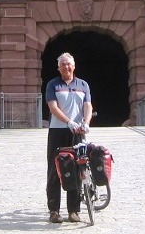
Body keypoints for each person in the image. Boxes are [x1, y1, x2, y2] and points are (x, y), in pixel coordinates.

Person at [45, 52, 93, 223]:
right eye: (63, 64)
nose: (66, 67)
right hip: (58, 131)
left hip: (78, 132)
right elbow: (53, 107)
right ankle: (54, 210)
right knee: (55, 169)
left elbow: (87, 105)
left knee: (77, 169)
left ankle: (74, 210)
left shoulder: (83, 85)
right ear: (58, 67)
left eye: (69, 64)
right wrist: (69, 122)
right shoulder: (53, 85)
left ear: (74, 66)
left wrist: (86, 122)